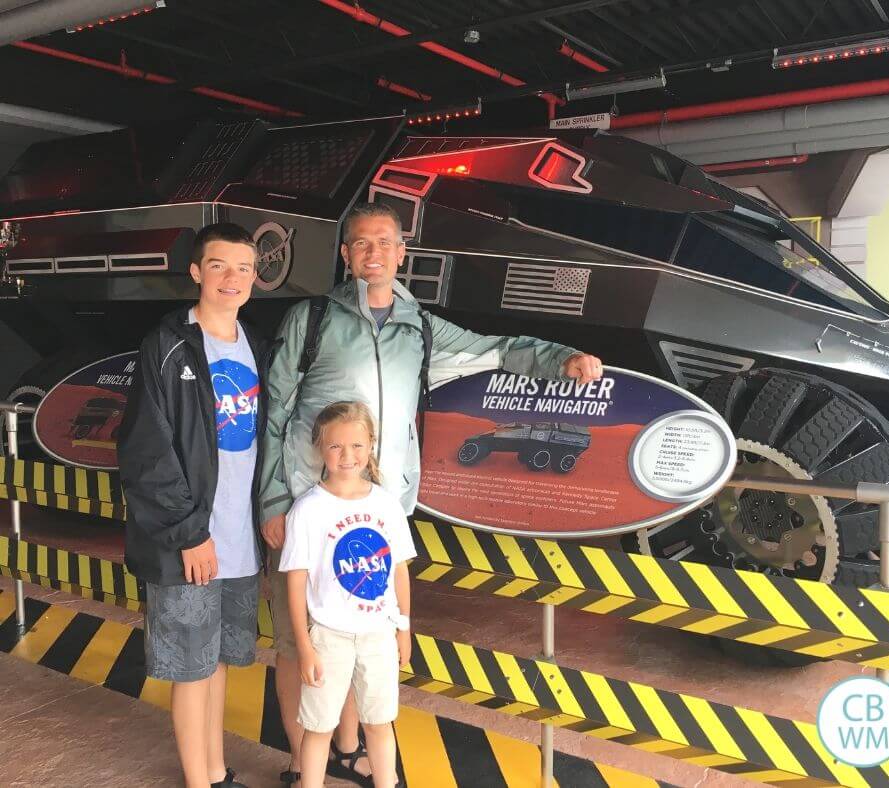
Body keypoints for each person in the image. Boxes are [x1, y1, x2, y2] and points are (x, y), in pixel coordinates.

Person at [259, 201, 603, 785]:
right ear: (345, 254)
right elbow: (276, 408)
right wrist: (273, 501)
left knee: (359, 628)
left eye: (383, 243)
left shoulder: (419, 326)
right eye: (361, 244)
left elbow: (494, 349)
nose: (373, 254)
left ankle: (346, 746)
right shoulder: (311, 319)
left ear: (401, 253)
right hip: (308, 505)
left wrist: (562, 359)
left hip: (377, 510)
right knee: (303, 640)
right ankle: (301, 757)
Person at [118, 222, 269, 788]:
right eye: (218, 265)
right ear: (195, 272)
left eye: (243, 268)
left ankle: (216, 769)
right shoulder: (167, 346)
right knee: (190, 667)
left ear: (256, 276)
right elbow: (146, 454)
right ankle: (198, 781)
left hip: (239, 539)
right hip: (190, 542)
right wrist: (189, 533)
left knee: (220, 662)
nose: (231, 278)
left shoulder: (258, 346)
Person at [279, 401, 413, 788]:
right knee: (319, 727)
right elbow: (296, 581)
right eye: (336, 447)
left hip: (378, 635)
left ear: (371, 444)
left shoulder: (386, 505)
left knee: (380, 723)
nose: (347, 456)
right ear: (320, 448)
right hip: (327, 637)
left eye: (356, 445)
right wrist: (304, 645)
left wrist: (403, 628)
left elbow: (400, 570)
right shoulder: (307, 510)